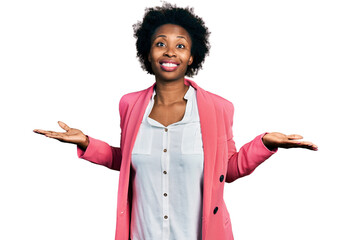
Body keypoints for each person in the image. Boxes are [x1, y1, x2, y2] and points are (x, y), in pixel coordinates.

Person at [33, 3, 318, 240]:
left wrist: (264, 144)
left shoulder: (218, 108)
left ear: (192, 56)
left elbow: (227, 169)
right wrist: (86, 143)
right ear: (148, 53)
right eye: (161, 44)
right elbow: (129, 160)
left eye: (180, 46)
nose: (170, 52)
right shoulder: (130, 104)